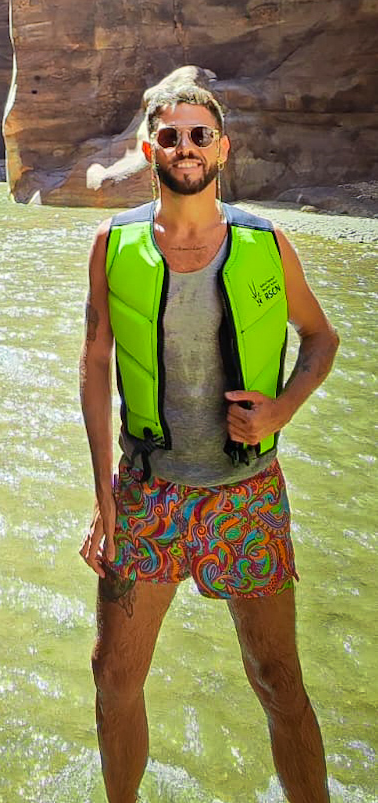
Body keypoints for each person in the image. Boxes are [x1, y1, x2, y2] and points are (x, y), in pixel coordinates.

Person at [79, 72, 339, 803]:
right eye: (170, 135)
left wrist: (280, 410)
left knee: (277, 678)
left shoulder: (265, 243)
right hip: (147, 489)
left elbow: (321, 338)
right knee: (113, 676)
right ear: (147, 148)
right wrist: (101, 495)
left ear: (220, 148)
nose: (184, 147)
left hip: (246, 493)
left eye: (198, 135)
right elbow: (95, 364)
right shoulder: (111, 243)